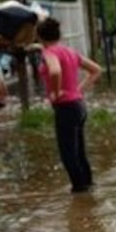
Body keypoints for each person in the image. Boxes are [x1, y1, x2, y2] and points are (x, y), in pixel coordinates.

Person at [36, 17, 102, 193]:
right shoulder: (70, 51)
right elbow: (96, 70)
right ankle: (88, 186)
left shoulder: (49, 53)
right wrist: (79, 90)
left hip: (65, 107)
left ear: (40, 37)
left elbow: (55, 70)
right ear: (59, 35)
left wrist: (56, 93)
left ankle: (79, 191)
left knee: (68, 153)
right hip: (79, 105)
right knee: (79, 151)